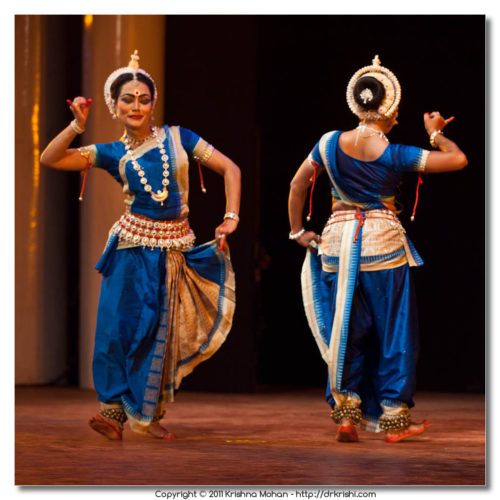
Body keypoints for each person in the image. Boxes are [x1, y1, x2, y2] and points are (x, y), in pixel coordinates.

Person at [40, 50, 241, 440]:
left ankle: (146, 415)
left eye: (143, 98)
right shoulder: (111, 153)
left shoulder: (181, 139)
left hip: (173, 250)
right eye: (127, 99)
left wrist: (231, 216)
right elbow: (50, 158)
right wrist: (76, 125)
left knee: (158, 331)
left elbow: (230, 168)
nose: (136, 106)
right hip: (131, 248)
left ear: (153, 103)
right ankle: (113, 414)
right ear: (114, 107)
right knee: (117, 329)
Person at [288, 55, 467, 443]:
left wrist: (297, 230)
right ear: (386, 109)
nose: (399, 119)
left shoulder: (327, 143)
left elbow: (297, 185)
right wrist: (435, 134)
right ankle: (393, 419)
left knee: (346, 329)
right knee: (394, 330)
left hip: (336, 243)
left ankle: (347, 414)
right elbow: (458, 159)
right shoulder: (395, 153)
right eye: (396, 112)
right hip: (382, 246)